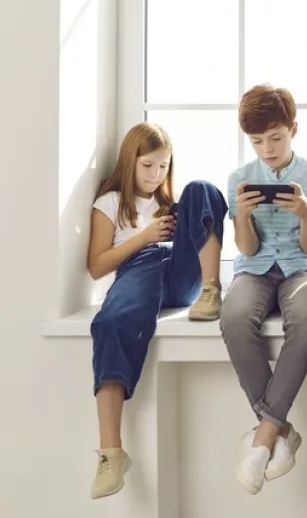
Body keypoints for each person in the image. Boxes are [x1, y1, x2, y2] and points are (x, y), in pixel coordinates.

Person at [87, 122, 227, 499]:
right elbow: (97, 266)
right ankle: (111, 452)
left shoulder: (171, 203)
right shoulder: (110, 203)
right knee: (110, 323)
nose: (155, 175)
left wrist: (175, 229)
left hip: (181, 272)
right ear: (129, 161)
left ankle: (212, 288)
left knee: (202, 189)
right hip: (140, 265)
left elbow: (194, 228)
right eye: (148, 165)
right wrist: (145, 236)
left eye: (163, 166)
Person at [220, 84, 307, 495]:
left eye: (276, 138)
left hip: (302, 269)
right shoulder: (239, 179)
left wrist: (306, 213)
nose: (267, 149)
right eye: (257, 141)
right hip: (255, 269)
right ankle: (279, 429)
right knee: (233, 318)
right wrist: (243, 216)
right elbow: (246, 249)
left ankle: (265, 435)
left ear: (293, 130)